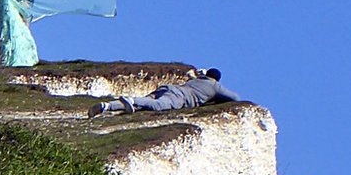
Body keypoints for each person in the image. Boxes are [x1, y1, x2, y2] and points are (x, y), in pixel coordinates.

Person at [88, 68, 241, 118]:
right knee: (159, 106)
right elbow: (235, 98)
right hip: (179, 97)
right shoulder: (214, 86)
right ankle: (132, 100)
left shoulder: (197, 79)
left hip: (169, 88)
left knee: (143, 105)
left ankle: (107, 106)